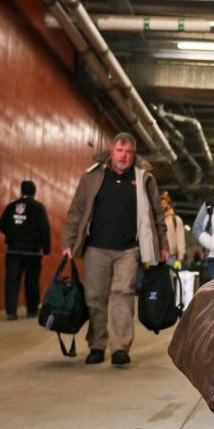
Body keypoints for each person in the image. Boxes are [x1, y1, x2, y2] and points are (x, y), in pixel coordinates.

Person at [60, 133, 169, 367]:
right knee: (94, 297)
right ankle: (97, 345)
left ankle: (120, 347)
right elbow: (76, 211)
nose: (124, 156)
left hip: (128, 249)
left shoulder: (143, 178)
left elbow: (157, 214)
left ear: (134, 154)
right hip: (96, 247)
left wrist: (163, 245)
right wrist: (68, 243)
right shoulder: (92, 177)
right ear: (112, 151)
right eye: (120, 151)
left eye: (129, 152)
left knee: (123, 294)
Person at [0, 180, 50, 320]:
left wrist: (12, 233)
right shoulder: (38, 208)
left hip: (13, 251)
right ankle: (31, 310)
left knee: (12, 281)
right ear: (34, 192)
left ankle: (11, 311)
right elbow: (45, 228)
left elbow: (1, 225)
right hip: (32, 252)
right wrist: (46, 249)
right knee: (32, 281)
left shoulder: (11, 206)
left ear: (21, 191)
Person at [161, 192, 187, 266]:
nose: (162, 206)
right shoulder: (157, 220)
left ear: (169, 205)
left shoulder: (176, 219)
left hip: (171, 256)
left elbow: (180, 238)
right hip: (158, 256)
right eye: (160, 204)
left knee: (170, 277)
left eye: (164, 203)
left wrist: (180, 256)